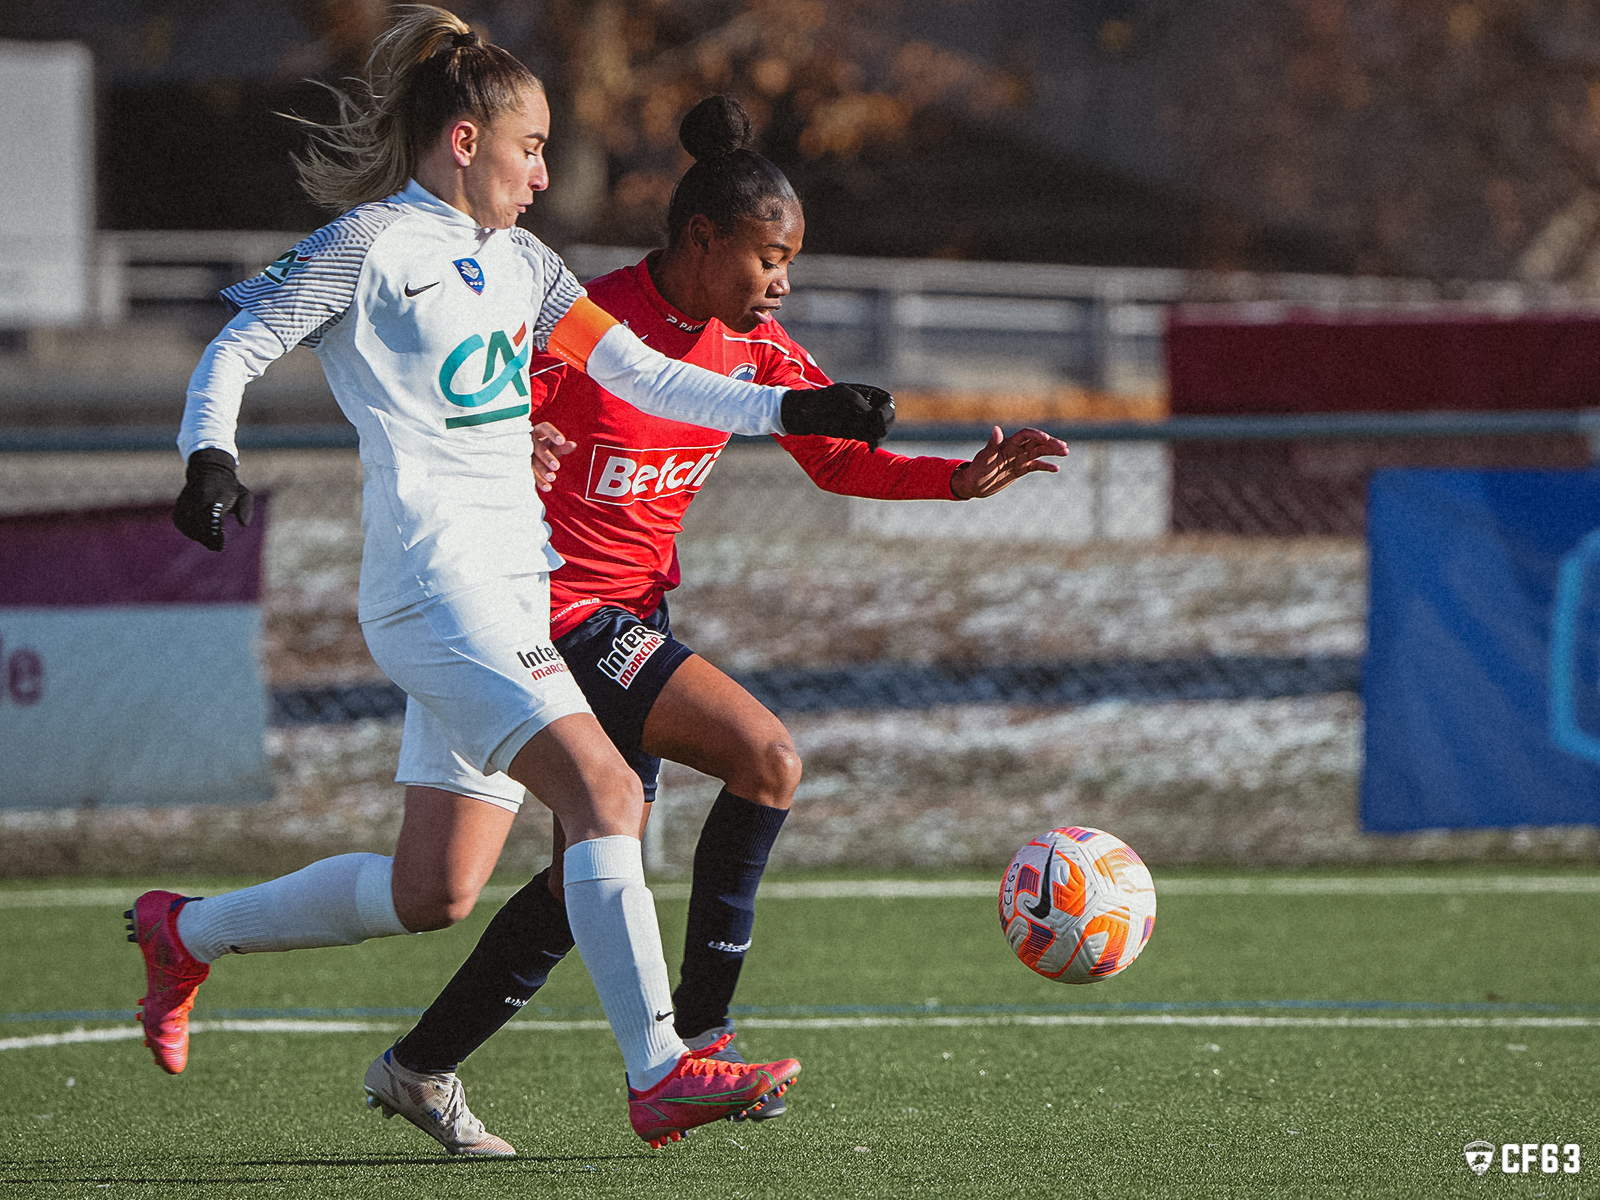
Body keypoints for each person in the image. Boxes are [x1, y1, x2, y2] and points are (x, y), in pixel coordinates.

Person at [129, 6, 891, 1154]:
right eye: (531, 147)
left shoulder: (524, 264)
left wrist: (796, 407)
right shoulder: (372, 245)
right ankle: (662, 1071)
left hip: (507, 590)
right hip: (436, 588)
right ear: (466, 140)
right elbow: (236, 346)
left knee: (431, 891)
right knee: (609, 796)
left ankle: (185, 932)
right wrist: (208, 457)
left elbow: (643, 374)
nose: (542, 174)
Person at [367, 95, 1068, 1141]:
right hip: (550, 608)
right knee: (765, 757)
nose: (782, 283)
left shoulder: (756, 349)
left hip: (631, 614)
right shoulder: (585, 324)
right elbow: (463, 408)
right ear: (701, 238)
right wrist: (514, 442)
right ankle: (699, 1035)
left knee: (582, 882)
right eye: (768, 260)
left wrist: (953, 481)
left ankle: (418, 1067)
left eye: (789, 263)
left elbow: (836, 459)